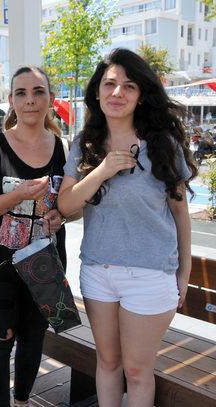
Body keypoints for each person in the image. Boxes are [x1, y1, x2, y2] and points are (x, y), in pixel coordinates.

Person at [57, 48, 198, 407]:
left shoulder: (163, 145)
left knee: (136, 371)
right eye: (110, 84)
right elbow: (66, 204)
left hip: (150, 274)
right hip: (97, 271)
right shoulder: (84, 144)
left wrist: (184, 272)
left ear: (140, 95)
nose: (117, 92)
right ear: (97, 92)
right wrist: (102, 169)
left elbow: (180, 213)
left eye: (128, 86)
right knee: (106, 363)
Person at [0, 66, 70, 407]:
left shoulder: (63, 149)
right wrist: (18, 195)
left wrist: (62, 214)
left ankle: (23, 400)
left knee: (33, 337)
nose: (31, 100)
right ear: (11, 101)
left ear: (50, 100)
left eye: (38, 92)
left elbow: (72, 204)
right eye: (22, 93)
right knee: (0, 338)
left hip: (46, 262)